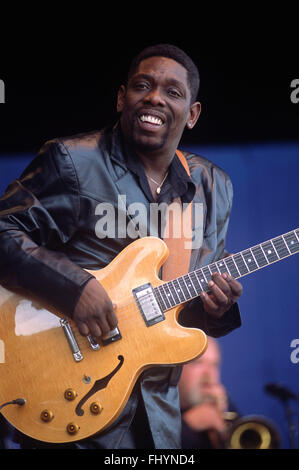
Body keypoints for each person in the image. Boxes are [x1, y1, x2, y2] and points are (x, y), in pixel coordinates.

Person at [0, 44, 242, 449]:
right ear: (120, 98)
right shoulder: (73, 161)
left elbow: (182, 309)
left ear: (193, 114)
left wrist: (218, 307)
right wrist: (74, 287)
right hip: (69, 401)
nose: (154, 98)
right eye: (142, 86)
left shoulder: (212, 186)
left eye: (172, 92)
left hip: (159, 422)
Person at [179, 337, 236, 449]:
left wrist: (224, 418)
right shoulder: (154, 409)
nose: (208, 373)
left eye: (214, 365)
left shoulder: (225, 404)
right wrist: (187, 425)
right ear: (175, 368)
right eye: (198, 362)